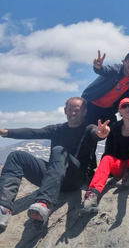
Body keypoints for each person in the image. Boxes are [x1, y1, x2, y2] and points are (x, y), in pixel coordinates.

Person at [0, 97, 110, 232]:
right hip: (53, 177)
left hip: (74, 179)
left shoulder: (88, 128)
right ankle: (4, 208)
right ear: (65, 111)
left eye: (77, 110)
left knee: (59, 150)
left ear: (84, 112)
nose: (73, 113)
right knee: (16, 156)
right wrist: (4, 132)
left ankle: (44, 203)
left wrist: (101, 134)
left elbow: (96, 133)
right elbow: (33, 132)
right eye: (70, 110)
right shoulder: (57, 129)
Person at [81, 98, 129, 212]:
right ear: (120, 110)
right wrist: (106, 171)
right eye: (124, 106)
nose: (127, 109)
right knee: (107, 158)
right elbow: (108, 150)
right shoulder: (115, 127)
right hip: (122, 167)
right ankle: (92, 194)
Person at [82, 51, 129, 124]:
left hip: (109, 110)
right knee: (88, 130)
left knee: (114, 131)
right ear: (123, 62)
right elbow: (104, 70)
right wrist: (98, 67)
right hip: (92, 104)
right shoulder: (116, 69)